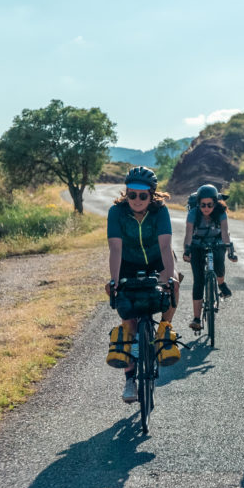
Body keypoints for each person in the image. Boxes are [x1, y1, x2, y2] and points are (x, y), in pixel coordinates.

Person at [105, 166, 181, 404]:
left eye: (142, 195)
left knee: (175, 284)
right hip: (127, 262)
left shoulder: (160, 212)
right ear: (126, 193)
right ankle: (130, 380)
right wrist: (115, 282)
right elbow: (115, 249)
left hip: (156, 260)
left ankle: (164, 329)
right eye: (132, 194)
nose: (137, 200)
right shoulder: (116, 212)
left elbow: (165, 248)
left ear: (152, 194)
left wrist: (168, 279)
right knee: (129, 320)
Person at [182, 183, 237, 332]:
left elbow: (225, 232)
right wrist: (187, 250)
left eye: (210, 204)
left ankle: (221, 283)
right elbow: (188, 234)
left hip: (217, 241)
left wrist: (229, 249)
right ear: (198, 204)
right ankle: (196, 319)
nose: (206, 208)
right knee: (198, 280)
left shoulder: (221, 213)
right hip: (197, 244)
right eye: (203, 205)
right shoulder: (193, 213)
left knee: (219, 264)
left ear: (216, 203)